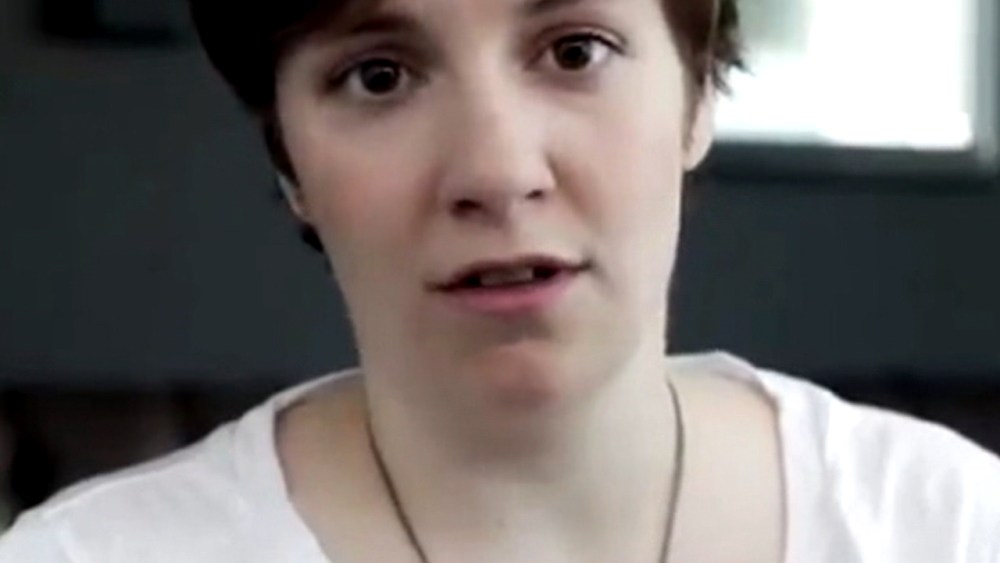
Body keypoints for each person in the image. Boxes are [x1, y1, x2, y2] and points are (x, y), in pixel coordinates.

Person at [1, 0, 998, 560]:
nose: (496, 168)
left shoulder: (948, 524)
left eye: (575, 51)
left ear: (697, 99)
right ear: (289, 163)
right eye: (379, 75)